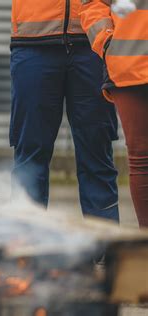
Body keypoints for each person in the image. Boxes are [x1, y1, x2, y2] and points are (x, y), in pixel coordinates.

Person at [9, 0, 120, 221]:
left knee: (96, 149)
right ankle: (26, 243)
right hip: (33, 43)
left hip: (94, 42)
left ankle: (104, 248)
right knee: (30, 151)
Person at [80, 0, 148, 227]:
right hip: (130, 63)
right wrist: (107, 43)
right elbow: (93, 3)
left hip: (128, 62)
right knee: (141, 159)